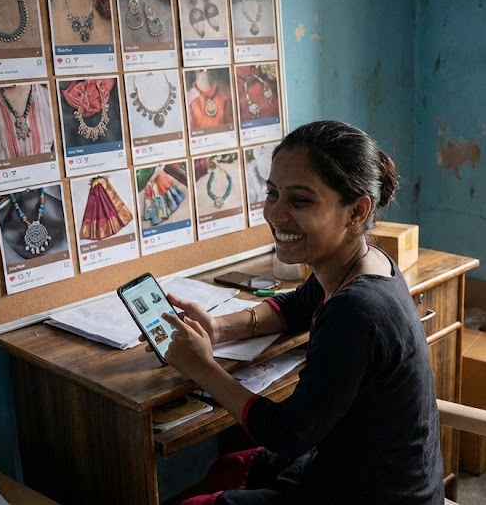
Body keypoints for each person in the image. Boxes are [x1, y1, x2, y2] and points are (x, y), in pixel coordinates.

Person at [148, 120, 444, 505]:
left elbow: (288, 435)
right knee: (231, 467)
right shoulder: (366, 262)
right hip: (360, 469)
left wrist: (203, 368)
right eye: (272, 193)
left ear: (356, 212)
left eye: (300, 200)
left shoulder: (357, 311)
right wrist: (218, 327)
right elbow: (297, 305)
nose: (276, 213)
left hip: (372, 494)